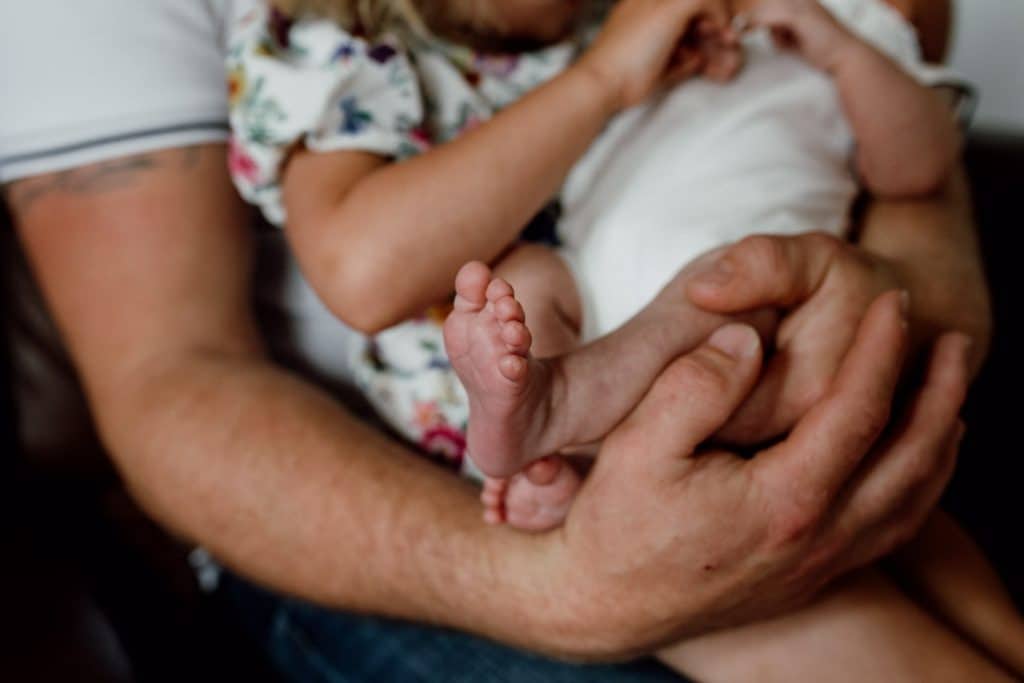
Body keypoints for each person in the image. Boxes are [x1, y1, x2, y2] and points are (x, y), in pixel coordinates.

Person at [0, 0, 1003, 680]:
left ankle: (562, 433)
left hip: (639, 352)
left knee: (911, 535)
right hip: (400, 468)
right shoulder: (334, 45)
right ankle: (554, 427)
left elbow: (889, 138)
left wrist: (904, 315)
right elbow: (346, 280)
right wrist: (606, 78)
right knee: (828, 627)